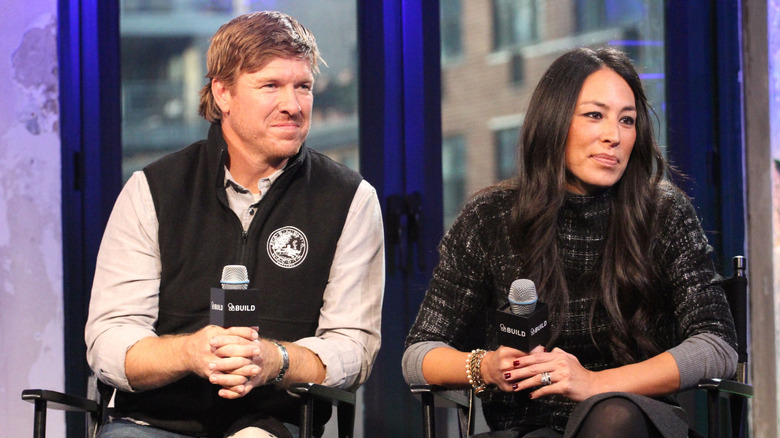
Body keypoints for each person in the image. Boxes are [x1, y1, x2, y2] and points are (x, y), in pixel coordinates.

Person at [402, 47, 737, 438]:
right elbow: (418, 355)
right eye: (595, 115)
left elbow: (717, 345)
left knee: (611, 417)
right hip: (529, 426)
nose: (613, 136)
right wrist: (486, 366)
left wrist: (596, 384)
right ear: (554, 121)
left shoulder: (663, 212)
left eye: (627, 120)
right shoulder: (489, 217)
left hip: (632, 420)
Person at [85, 11, 384, 438]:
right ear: (222, 93)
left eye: (304, 87)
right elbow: (109, 341)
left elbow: (354, 347)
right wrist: (190, 352)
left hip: (271, 423)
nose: (293, 105)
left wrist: (274, 360)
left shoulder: (350, 199)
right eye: (271, 86)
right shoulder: (152, 190)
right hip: (150, 422)